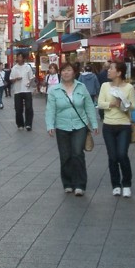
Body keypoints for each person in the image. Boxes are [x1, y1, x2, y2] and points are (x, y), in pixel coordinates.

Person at [45, 62, 99, 196]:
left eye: (68, 70)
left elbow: (89, 106)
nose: (66, 73)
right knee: (65, 156)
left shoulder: (81, 88)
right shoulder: (54, 90)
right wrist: (50, 125)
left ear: (74, 72)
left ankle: (80, 184)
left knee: (77, 154)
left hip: (79, 125)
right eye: (63, 70)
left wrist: (94, 124)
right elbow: (50, 109)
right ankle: (68, 183)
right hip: (62, 126)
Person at [97, 61, 135, 198]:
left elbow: (133, 106)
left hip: (124, 125)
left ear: (119, 72)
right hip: (108, 125)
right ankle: (115, 185)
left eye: (111, 69)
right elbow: (100, 103)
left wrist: (124, 102)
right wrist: (111, 103)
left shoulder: (129, 87)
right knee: (112, 156)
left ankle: (126, 184)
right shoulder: (105, 86)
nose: (108, 71)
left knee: (122, 155)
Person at [10, 52, 35, 130]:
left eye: (21, 57)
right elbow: (11, 79)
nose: (19, 59)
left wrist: (30, 83)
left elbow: (31, 77)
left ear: (24, 58)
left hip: (27, 90)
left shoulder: (27, 67)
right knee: (18, 108)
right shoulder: (14, 68)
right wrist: (16, 79)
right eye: (18, 57)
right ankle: (20, 124)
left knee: (29, 107)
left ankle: (28, 124)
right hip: (17, 90)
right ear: (16, 58)